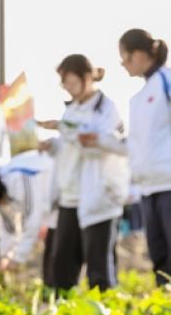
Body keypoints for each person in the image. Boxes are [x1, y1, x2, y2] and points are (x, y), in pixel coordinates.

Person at [37, 54, 128, 291]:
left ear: (87, 78)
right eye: (64, 84)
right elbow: (68, 147)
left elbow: (96, 144)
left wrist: (62, 128)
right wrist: (52, 145)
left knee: (99, 267)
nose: (67, 89)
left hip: (98, 195)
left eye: (71, 82)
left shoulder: (106, 108)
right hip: (70, 197)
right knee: (62, 264)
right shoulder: (72, 110)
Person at [119, 28, 171, 286]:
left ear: (139, 54)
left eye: (125, 58)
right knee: (160, 260)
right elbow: (135, 145)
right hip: (148, 189)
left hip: (169, 184)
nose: (123, 64)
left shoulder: (166, 81)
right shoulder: (137, 98)